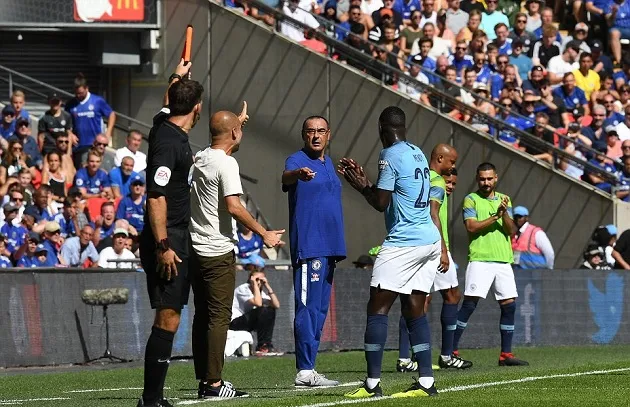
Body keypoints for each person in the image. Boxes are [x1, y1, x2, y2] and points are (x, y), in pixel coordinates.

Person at [340, 106, 441, 398]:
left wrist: (361, 186)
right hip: (428, 241)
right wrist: (369, 184)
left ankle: (372, 385)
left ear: (381, 128)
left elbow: (380, 202)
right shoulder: (416, 151)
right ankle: (425, 382)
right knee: (414, 309)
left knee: (378, 307)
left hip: (405, 242)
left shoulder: (389, 155)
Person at [189, 103, 283, 400]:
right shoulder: (227, 164)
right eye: (239, 129)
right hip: (217, 250)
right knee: (219, 317)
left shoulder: (201, 157)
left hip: (195, 249)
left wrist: (235, 124)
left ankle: (205, 379)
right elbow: (234, 206)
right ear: (233, 132)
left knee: (202, 315)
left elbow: (220, 141)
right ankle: (214, 384)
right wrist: (263, 232)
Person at [137, 59, 201, 407]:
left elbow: (168, 100)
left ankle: (153, 399)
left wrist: (177, 74)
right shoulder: (169, 144)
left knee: (172, 312)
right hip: (168, 238)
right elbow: (156, 197)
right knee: (168, 314)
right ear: (197, 108)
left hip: (175, 235)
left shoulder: (163, 124)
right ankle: (150, 400)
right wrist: (163, 245)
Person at [282, 115, 346, 388]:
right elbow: (286, 177)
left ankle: (311, 369)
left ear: (328, 134)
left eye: (321, 131)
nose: (316, 136)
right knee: (307, 309)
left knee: (319, 311)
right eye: (311, 132)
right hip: (310, 247)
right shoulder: (296, 161)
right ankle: (304, 371)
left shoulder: (328, 163)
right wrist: (297, 175)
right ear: (303, 135)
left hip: (330, 247)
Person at [397, 145, 472, 373]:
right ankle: (437, 356)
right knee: (433, 299)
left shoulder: (417, 177)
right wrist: (442, 249)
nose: (452, 167)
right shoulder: (436, 181)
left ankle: (410, 358)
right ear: (440, 158)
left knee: (433, 298)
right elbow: (433, 214)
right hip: (433, 247)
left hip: (418, 245)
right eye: (451, 162)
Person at [452, 162, 529, 367]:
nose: (486, 182)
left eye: (489, 178)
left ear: (496, 178)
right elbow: (471, 226)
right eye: (482, 179)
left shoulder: (505, 200)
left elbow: (511, 230)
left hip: (503, 259)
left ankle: (506, 355)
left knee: (509, 305)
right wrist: (495, 215)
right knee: (469, 305)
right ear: (478, 179)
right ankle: (451, 350)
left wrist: (503, 213)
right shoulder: (471, 199)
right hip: (480, 258)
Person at [229, 268, 281, 356]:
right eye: (257, 279)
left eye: (262, 280)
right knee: (262, 309)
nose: (259, 282)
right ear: (251, 279)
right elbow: (258, 303)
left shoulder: (261, 293)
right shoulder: (243, 288)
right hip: (234, 323)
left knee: (270, 310)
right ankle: (262, 346)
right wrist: (254, 284)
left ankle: (266, 345)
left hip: (247, 322)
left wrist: (267, 286)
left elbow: (276, 305)